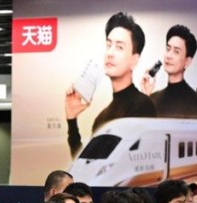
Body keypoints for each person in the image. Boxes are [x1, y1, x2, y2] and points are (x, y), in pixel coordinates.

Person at [66, 12, 157, 157]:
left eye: (119, 47)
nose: (110, 53)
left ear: (134, 60)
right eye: (108, 45)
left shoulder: (143, 106)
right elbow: (84, 165)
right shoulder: (101, 118)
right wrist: (71, 119)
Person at [143, 24, 197, 118]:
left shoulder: (195, 102)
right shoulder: (153, 97)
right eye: (168, 49)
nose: (169, 56)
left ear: (187, 61)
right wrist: (145, 95)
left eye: (176, 51)